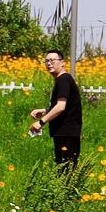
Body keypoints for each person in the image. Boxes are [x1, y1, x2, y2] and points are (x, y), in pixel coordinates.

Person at [28, 50, 83, 180]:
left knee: (65, 172)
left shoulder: (63, 80)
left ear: (62, 63)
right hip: (66, 133)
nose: (49, 63)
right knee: (65, 171)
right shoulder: (63, 80)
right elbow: (66, 106)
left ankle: (66, 192)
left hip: (66, 133)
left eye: (52, 60)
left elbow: (61, 107)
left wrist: (41, 122)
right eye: (46, 61)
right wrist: (45, 110)